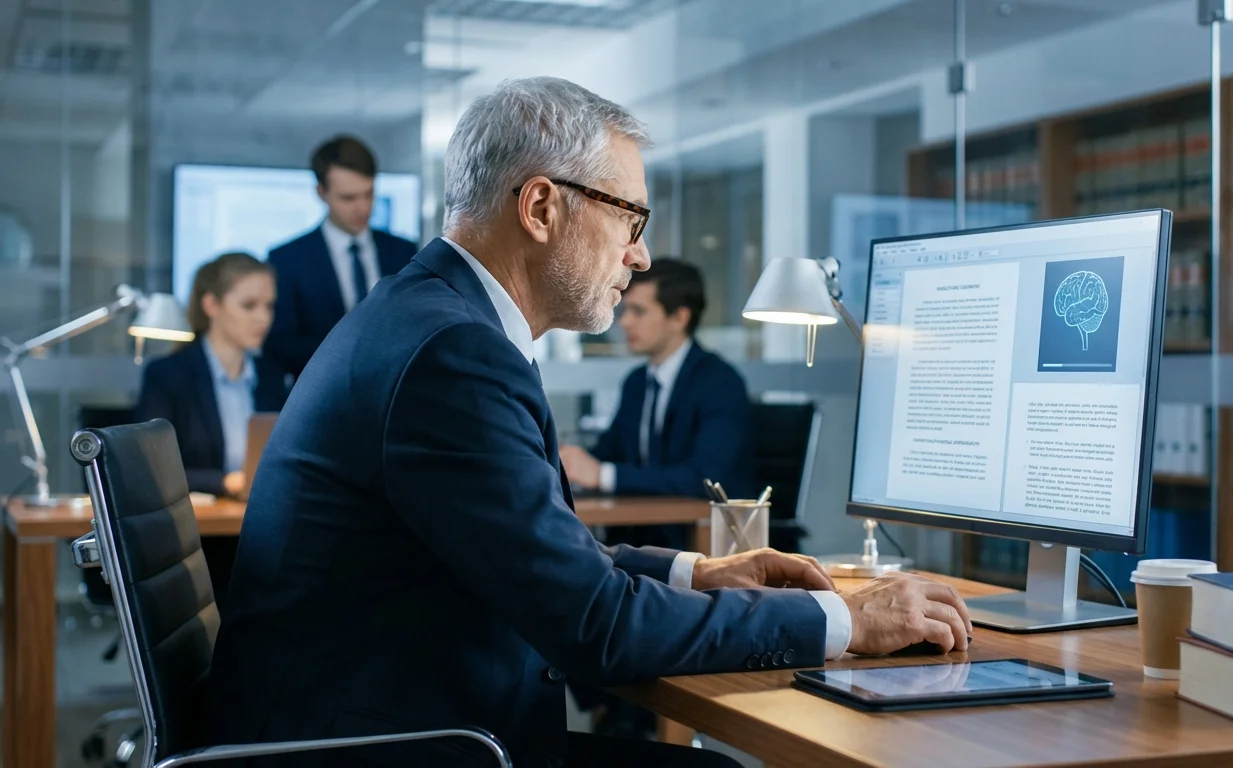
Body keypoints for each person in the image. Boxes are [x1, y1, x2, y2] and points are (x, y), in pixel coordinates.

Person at [207, 77, 972, 768]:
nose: (640, 256)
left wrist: (693, 570)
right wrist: (843, 620)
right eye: (630, 217)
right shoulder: (453, 354)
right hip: (391, 746)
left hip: (388, 720)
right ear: (541, 207)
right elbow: (596, 628)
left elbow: (540, 554)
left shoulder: (433, 319)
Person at [560, 258, 752, 548]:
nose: (624, 321)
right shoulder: (637, 381)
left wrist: (603, 475)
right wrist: (573, 464)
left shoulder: (720, 383)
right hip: (637, 542)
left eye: (639, 311)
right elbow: (610, 452)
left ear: (679, 317)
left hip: (700, 542)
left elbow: (705, 479)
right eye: (625, 310)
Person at [134, 251, 287, 595]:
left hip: (259, 529)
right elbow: (152, 469)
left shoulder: (272, 377)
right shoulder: (168, 376)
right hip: (195, 541)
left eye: (269, 306)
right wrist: (227, 482)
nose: (263, 318)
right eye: (249, 306)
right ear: (211, 305)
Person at [263, 135, 418, 377]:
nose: (363, 207)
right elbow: (280, 345)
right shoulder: (287, 260)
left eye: (368, 194)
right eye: (348, 198)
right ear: (321, 192)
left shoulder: (404, 252)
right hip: (321, 398)